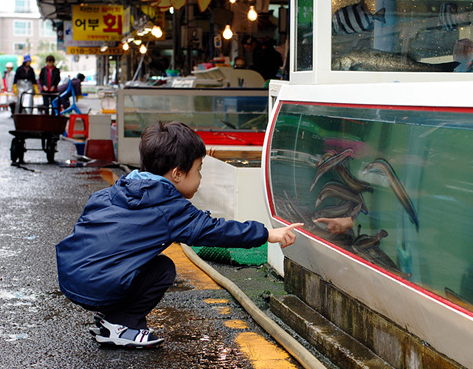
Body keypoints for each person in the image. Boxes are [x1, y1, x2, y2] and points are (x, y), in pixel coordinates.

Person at [56, 121, 303, 348]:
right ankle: (121, 326)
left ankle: (110, 316)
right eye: (198, 170)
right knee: (162, 269)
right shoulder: (170, 208)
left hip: (72, 279)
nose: (200, 178)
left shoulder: (117, 190)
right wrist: (267, 233)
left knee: (138, 261)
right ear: (176, 174)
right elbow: (215, 230)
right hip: (98, 287)